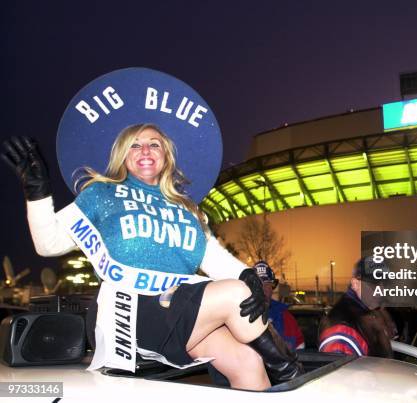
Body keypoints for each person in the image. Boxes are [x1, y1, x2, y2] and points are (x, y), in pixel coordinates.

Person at [1, 125, 302, 390]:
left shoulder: (187, 209)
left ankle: (282, 370)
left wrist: (248, 274)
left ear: (166, 156)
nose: (145, 149)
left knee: (248, 363)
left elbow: (216, 260)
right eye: (135, 144)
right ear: (123, 153)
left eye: (154, 144)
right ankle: (291, 372)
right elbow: (48, 244)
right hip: (130, 311)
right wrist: (37, 191)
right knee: (237, 293)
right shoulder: (102, 194)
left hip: (179, 309)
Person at [318, 257, 393, 358]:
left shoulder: (370, 313)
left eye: (385, 283)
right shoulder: (342, 328)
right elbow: (341, 372)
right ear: (355, 284)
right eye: (375, 284)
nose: (382, 290)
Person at [254, 261, 305, 350]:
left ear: (272, 288)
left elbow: (299, 345)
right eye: (259, 285)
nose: (263, 289)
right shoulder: (240, 317)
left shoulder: (285, 316)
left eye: (267, 285)